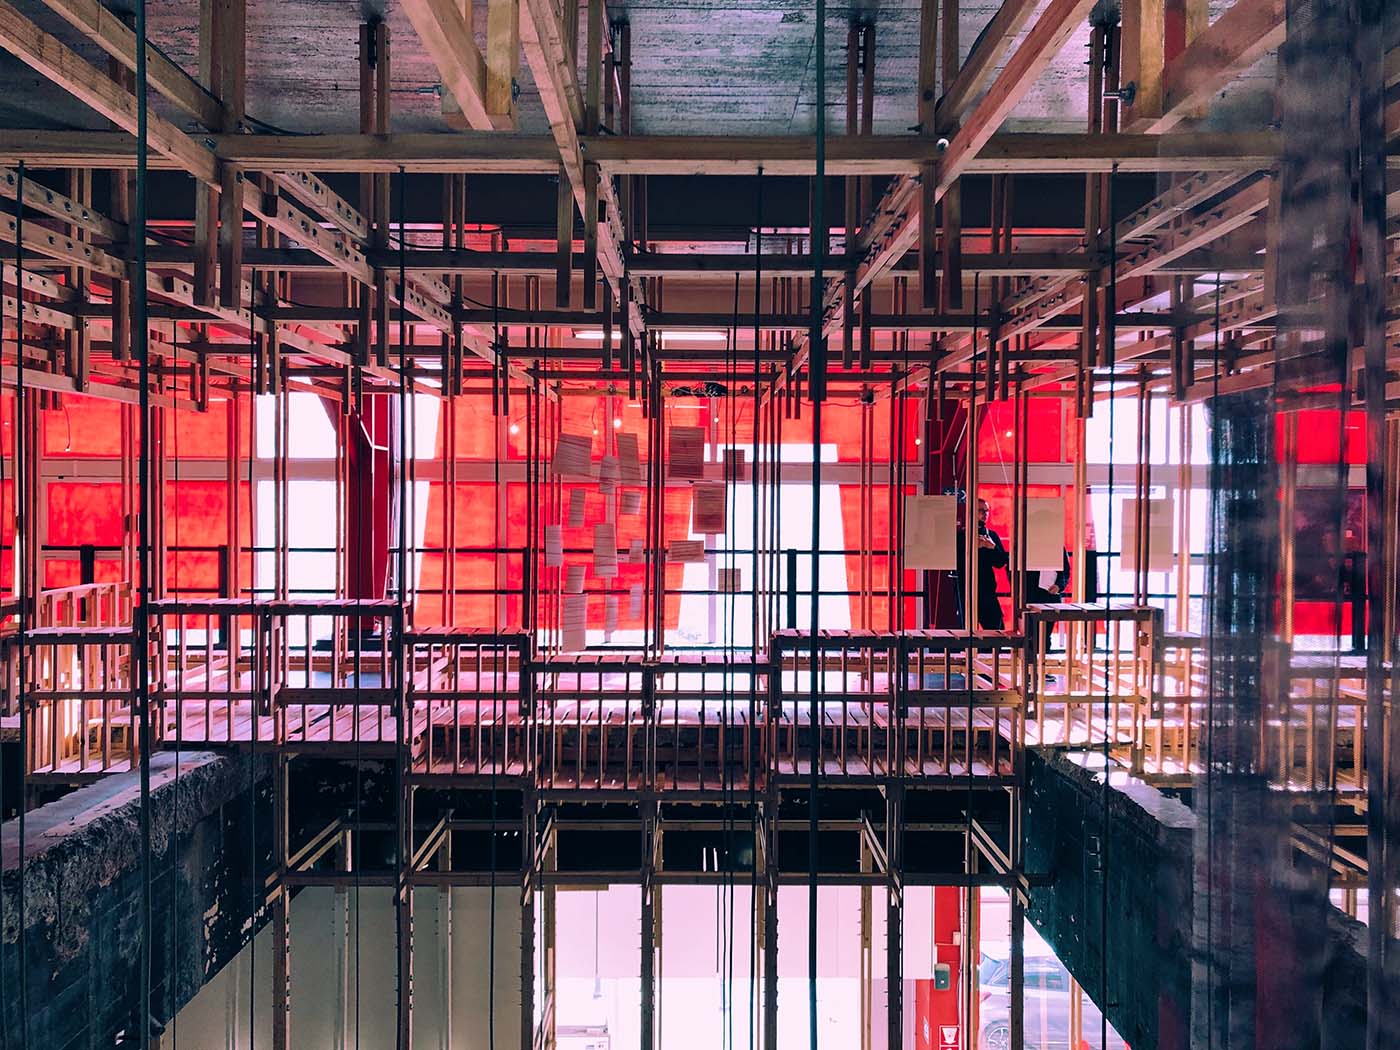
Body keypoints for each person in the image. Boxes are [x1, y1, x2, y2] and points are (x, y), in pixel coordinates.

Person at [956, 498, 1009, 630]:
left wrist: (991, 547)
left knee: (996, 630)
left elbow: (1000, 562)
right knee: (966, 632)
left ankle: (990, 651)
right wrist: (973, 548)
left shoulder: (991, 535)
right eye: (981, 511)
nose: (985, 514)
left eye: (987, 511)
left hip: (987, 590)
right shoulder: (961, 536)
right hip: (965, 590)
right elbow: (955, 561)